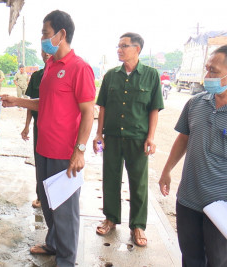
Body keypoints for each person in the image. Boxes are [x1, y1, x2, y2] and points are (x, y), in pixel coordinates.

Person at [159, 43, 227, 266]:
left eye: (214, 71)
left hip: (224, 210)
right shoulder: (196, 103)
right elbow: (183, 139)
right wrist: (167, 170)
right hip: (188, 200)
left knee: (220, 262)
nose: (207, 76)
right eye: (207, 69)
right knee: (191, 259)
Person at [2, 10, 95, 267]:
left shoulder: (80, 68)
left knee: (65, 211)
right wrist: (17, 101)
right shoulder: (51, 66)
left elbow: (89, 112)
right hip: (43, 148)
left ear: (61, 34)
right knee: (48, 203)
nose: (42, 38)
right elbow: (46, 103)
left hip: (65, 152)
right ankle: (54, 243)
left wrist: (80, 150)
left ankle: (66, 260)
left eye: (45, 33)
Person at [94, 32, 164, 247]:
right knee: (111, 179)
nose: (119, 49)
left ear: (137, 49)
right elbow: (102, 106)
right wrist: (99, 134)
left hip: (138, 138)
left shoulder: (151, 75)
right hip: (113, 137)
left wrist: (151, 137)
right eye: (118, 46)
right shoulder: (111, 76)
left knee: (139, 183)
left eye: (124, 46)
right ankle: (111, 219)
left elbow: (154, 109)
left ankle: (138, 226)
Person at [21, 51, 52, 209]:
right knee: (40, 162)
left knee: (56, 164)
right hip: (39, 125)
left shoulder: (63, 74)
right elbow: (31, 103)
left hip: (57, 127)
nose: (46, 54)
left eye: (49, 51)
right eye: (43, 51)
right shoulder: (36, 76)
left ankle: (54, 198)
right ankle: (40, 196)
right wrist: (27, 126)